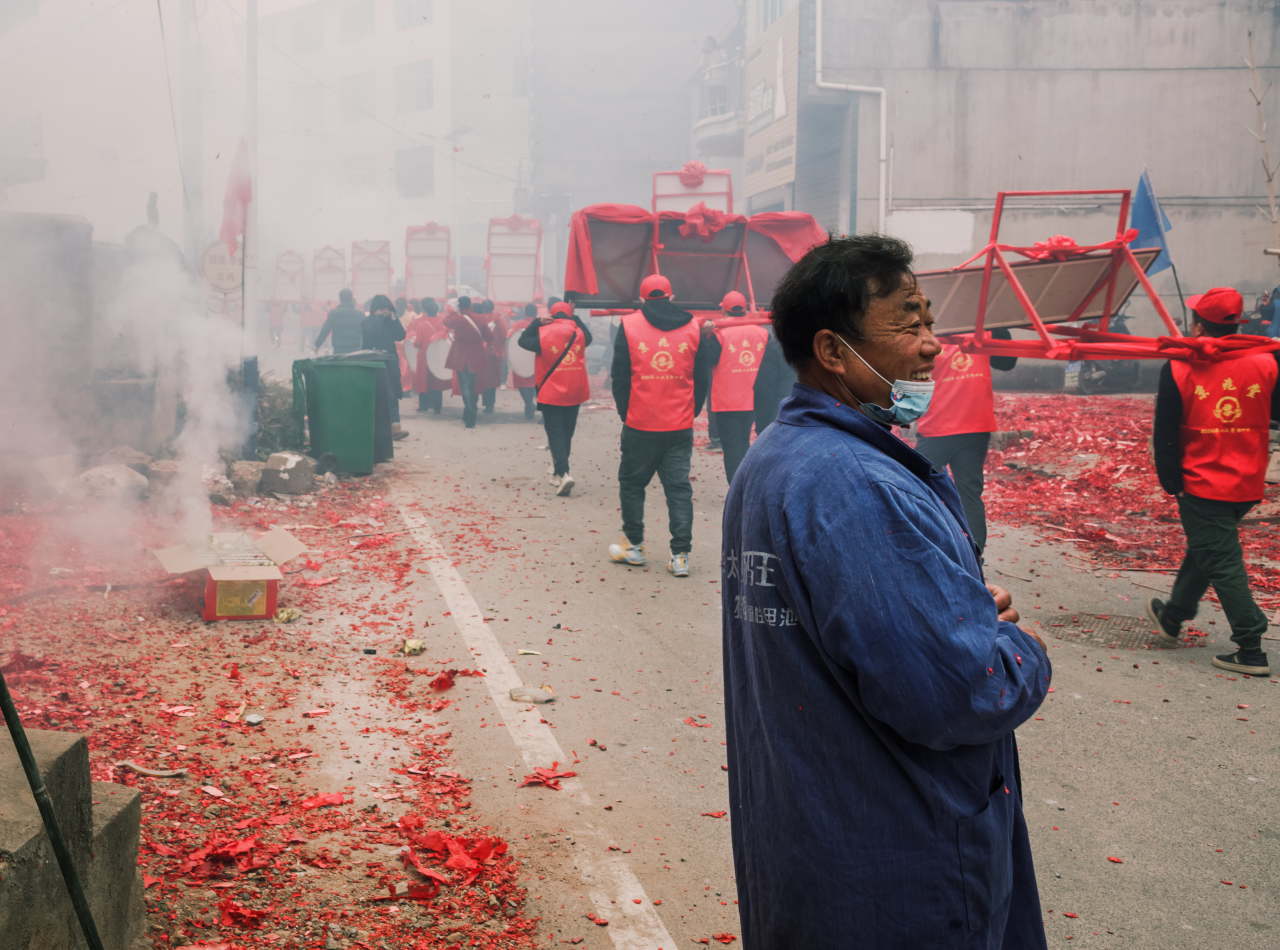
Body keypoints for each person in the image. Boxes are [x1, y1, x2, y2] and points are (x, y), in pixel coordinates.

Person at [722, 235, 1052, 949]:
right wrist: (1016, 646)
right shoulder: (854, 482)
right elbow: (962, 691)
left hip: (812, 845)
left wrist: (948, 606)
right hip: (900, 868)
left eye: (931, 321)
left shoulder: (776, 458)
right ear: (834, 351)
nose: (933, 345)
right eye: (909, 323)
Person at [1148, 286, 1280, 676]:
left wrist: (1172, 482)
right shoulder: (1268, 361)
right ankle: (1173, 616)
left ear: (1199, 323)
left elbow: (1166, 432)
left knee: (1220, 558)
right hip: (1247, 479)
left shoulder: (1178, 364)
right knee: (1209, 546)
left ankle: (1251, 644)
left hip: (1202, 481)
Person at [608, 274, 716, 577]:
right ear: (671, 296)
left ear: (642, 298)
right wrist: (690, 412)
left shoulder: (628, 326)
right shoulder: (693, 326)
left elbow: (620, 376)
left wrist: (626, 413)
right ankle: (680, 555)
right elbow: (702, 376)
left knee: (631, 485)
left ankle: (635, 546)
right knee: (678, 489)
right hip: (679, 425)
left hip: (640, 423)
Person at [914, 326, 1017, 555]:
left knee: (916, 487)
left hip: (941, 428)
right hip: (972, 428)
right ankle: (973, 556)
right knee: (967, 492)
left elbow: (1006, 362)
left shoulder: (931, 334)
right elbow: (1007, 363)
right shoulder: (982, 333)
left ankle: (939, 549)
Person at [519, 301, 592, 495]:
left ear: (551, 314)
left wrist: (536, 323)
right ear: (570, 313)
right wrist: (575, 318)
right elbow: (590, 338)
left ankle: (564, 472)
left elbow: (523, 341)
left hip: (551, 392)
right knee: (567, 432)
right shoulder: (579, 333)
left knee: (555, 433)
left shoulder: (543, 333)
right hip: (575, 390)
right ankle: (560, 470)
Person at [703, 291, 768, 483]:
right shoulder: (762, 333)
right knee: (745, 444)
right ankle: (748, 483)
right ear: (745, 308)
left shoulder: (719, 334)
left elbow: (708, 360)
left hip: (727, 401)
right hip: (755, 398)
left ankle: (737, 487)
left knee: (732, 448)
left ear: (724, 309)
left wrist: (705, 336)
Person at [361, 294, 408, 440]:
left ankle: (395, 428)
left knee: (391, 394)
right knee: (376, 394)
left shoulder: (391, 321)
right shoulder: (367, 321)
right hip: (373, 360)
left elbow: (400, 336)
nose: (385, 312)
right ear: (375, 309)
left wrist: (393, 319)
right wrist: (380, 318)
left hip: (389, 362)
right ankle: (376, 428)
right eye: (382, 309)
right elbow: (371, 334)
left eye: (387, 309)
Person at [445, 296, 491, 429]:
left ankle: (469, 412)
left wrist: (454, 311)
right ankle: (470, 411)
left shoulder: (457, 319)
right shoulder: (481, 319)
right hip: (477, 355)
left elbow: (445, 321)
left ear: (459, 306)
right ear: (470, 305)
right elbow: (489, 337)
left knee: (465, 385)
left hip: (461, 355)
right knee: (473, 385)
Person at [509, 303, 540, 420]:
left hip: (520, 359)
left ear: (525, 313)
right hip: (535, 360)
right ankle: (531, 404)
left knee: (522, 383)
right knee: (534, 383)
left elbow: (510, 339)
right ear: (536, 313)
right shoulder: (540, 325)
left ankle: (528, 404)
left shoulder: (518, 325)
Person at [313, 288, 363, 355]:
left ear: (340, 299)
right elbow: (365, 330)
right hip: (356, 348)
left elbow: (325, 330)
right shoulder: (359, 314)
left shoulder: (333, 313)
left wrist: (317, 345)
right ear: (351, 298)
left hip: (339, 348)